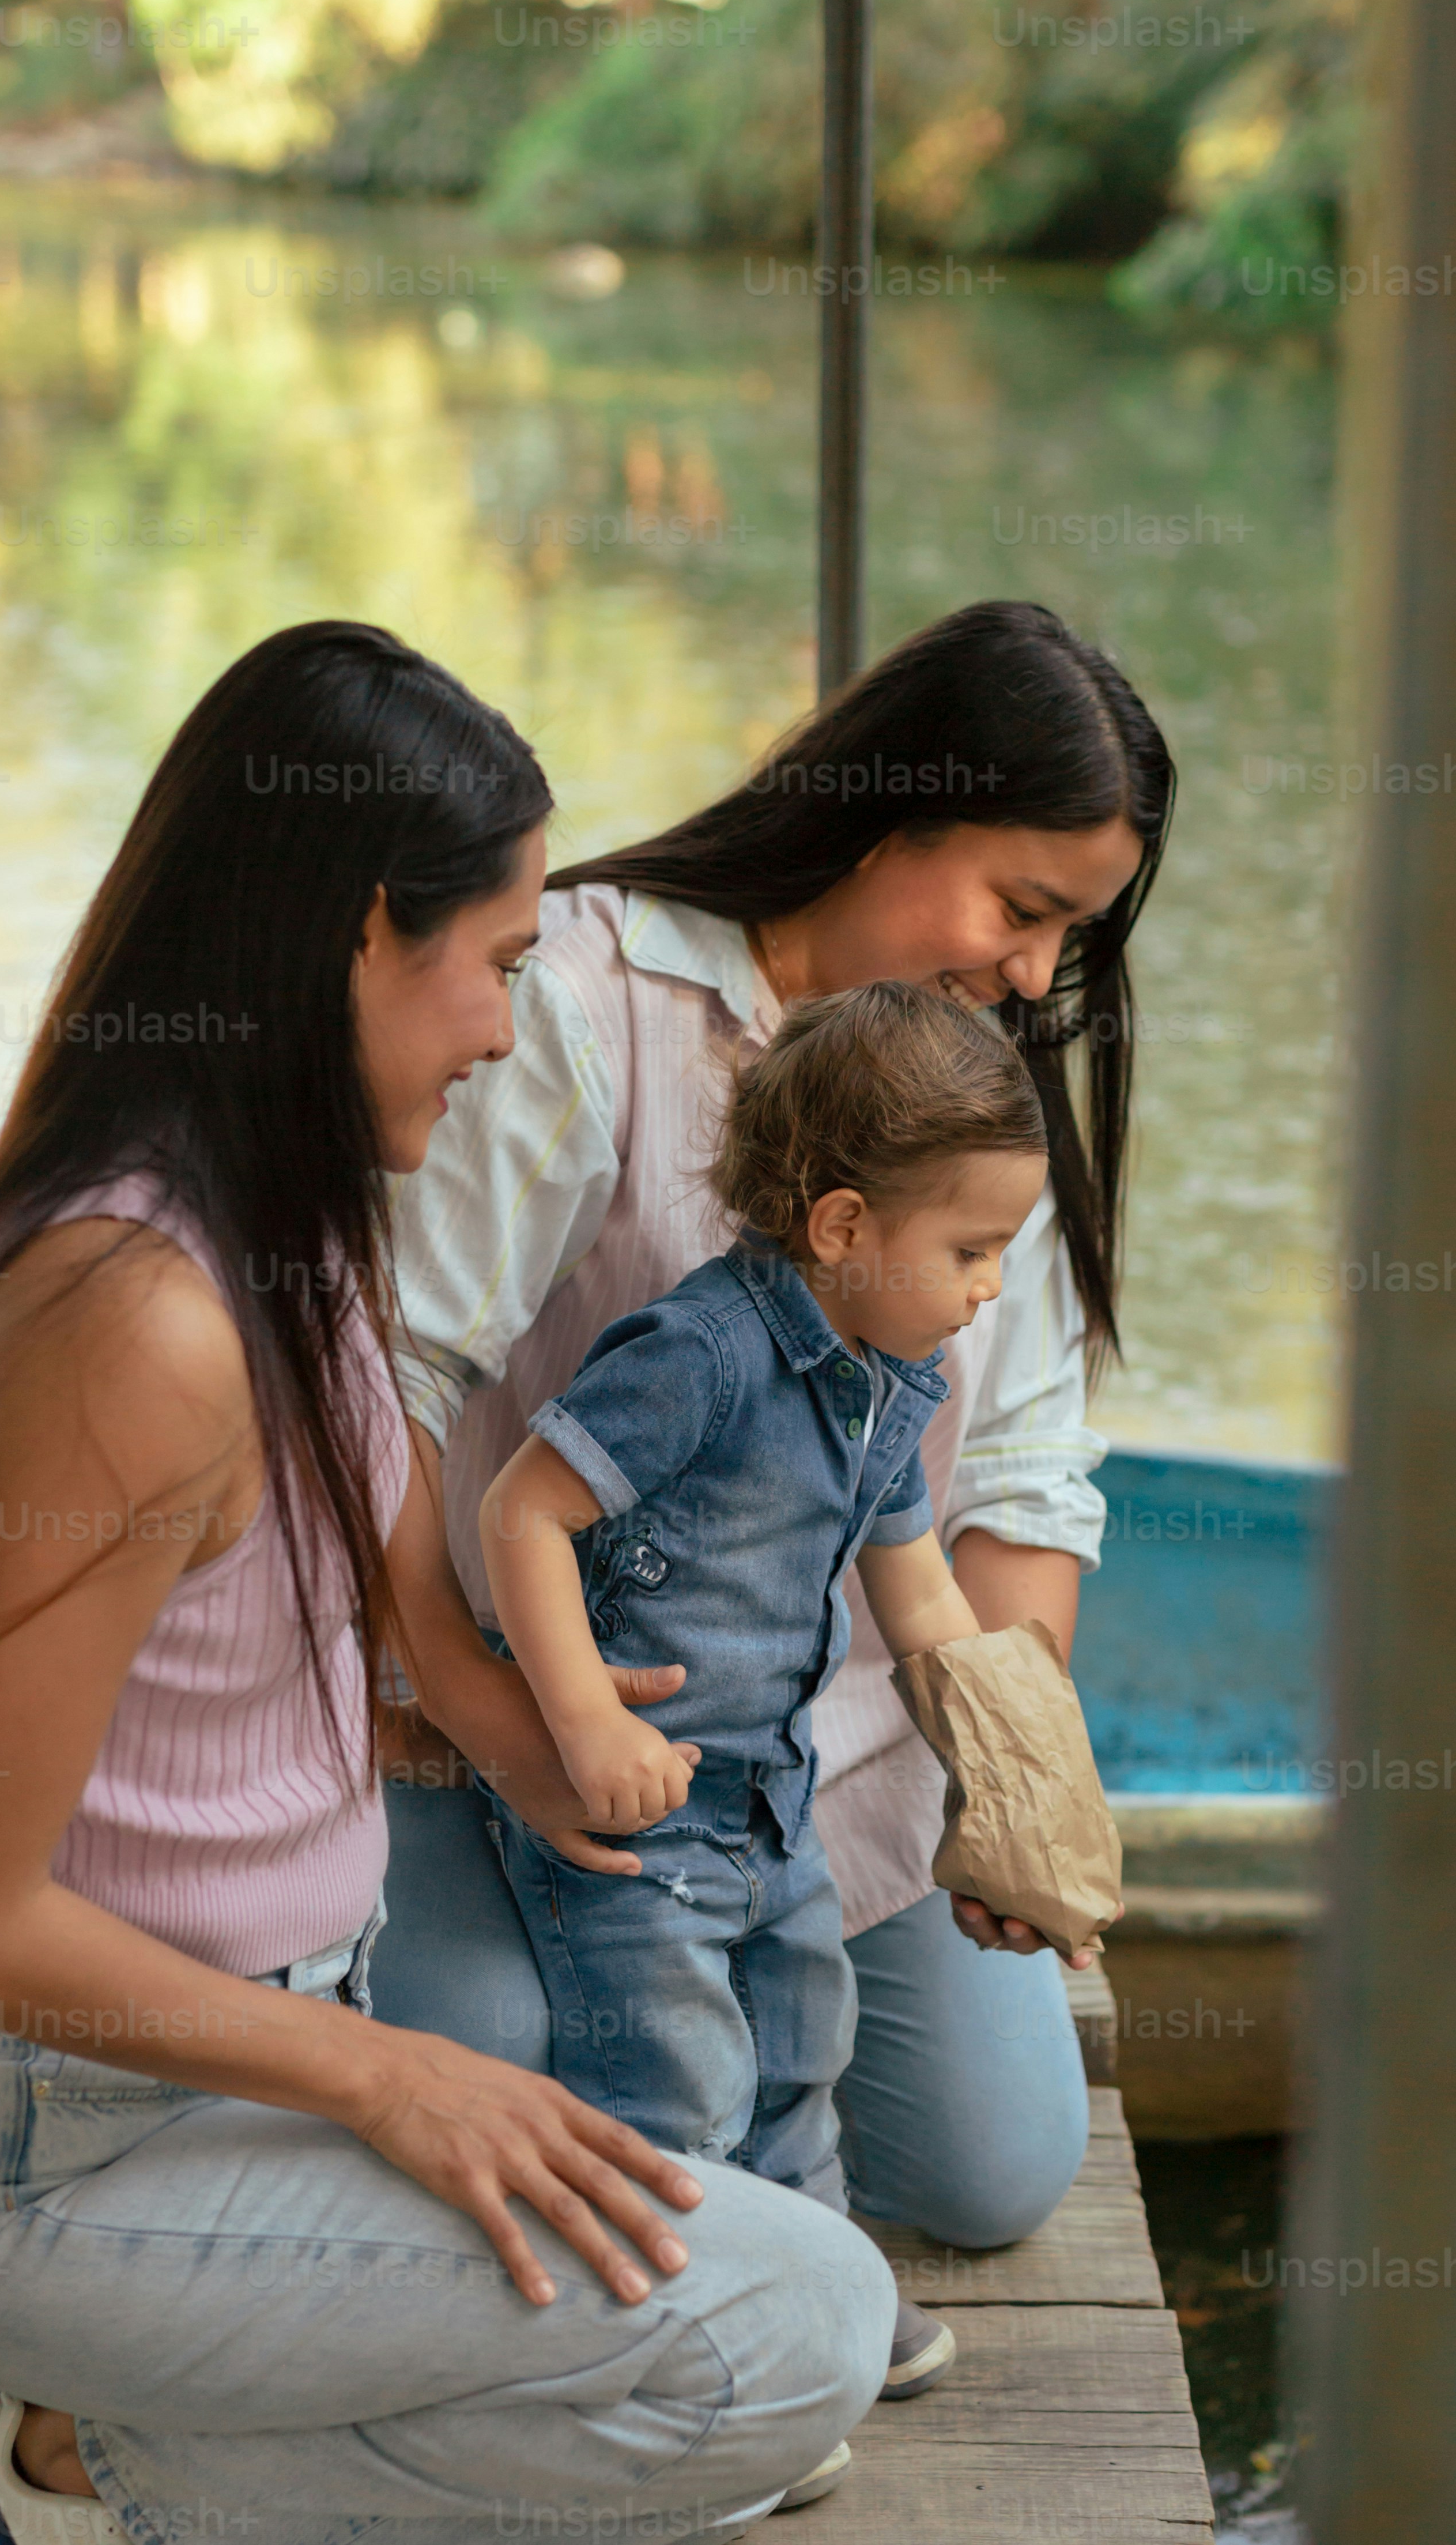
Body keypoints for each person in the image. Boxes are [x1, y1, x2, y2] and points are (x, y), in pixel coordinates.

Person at [0, 621, 895, 2545]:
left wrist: (520, 1730)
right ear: (348, 933)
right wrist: (390, 2080)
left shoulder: (283, 1220)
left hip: (206, 2070)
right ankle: (69, 2487)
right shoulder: (133, 1320)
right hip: (59, 2145)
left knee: (629, 2163)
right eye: (490, 958)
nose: (509, 1027)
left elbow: (393, 1530)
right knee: (797, 2341)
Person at [377, 599, 1174, 2392]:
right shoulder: (584, 1004)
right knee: (509, 2059)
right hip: (508, 1703)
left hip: (808, 1756)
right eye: (1024, 908)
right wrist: (506, 1717)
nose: (1043, 978)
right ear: (887, 826)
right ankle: (703, 2349)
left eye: (1075, 934)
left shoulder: (974, 1082)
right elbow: (389, 1389)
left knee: (990, 2166)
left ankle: (776, 2282)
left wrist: (1005, 1767)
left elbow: (1026, 1468)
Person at [478, 986, 1065, 2501]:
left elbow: (919, 1586)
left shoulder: (894, 1382)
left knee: (804, 2050)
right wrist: (584, 1716)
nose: (993, 1289)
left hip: (768, 1800)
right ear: (846, 1225)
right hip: (639, 1808)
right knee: (674, 2085)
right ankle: (682, 2367)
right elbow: (522, 1512)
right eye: (973, 1252)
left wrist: (1015, 1771)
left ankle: (814, 2316)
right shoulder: (701, 1352)